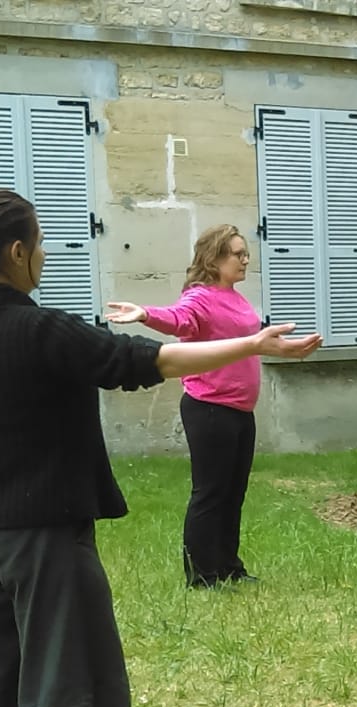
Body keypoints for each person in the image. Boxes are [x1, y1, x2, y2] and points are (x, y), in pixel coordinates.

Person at [0, 190, 321, 707]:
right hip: (43, 540)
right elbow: (150, 362)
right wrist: (255, 343)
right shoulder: (38, 329)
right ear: (16, 254)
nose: (45, 255)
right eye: (39, 244)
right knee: (66, 683)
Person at [104, 225, 266, 588]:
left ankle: (228, 567)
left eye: (245, 254)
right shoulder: (200, 296)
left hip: (241, 410)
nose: (244, 260)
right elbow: (179, 318)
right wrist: (145, 313)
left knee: (233, 492)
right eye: (237, 254)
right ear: (215, 257)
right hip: (209, 408)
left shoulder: (235, 296)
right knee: (210, 492)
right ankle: (202, 574)